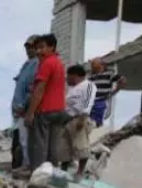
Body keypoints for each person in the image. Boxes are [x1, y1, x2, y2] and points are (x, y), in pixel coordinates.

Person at [24, 33, 66, 174]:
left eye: (42, 47)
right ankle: (53, 177)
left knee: (39, 146)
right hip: (59, 110)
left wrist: (30, 113)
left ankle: (38, 177)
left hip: (45, 110)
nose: (38, 51)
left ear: (52, 47)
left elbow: (39, 90)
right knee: (53, 146)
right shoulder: (58, 62)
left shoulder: (46, 63)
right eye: (36, 48)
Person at [59, 65, 96, 179]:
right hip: (67, 121)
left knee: (81, 146)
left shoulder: (88, 85)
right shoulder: (72, 89)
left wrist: (83, 118)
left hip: (78, 119)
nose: (67, 79)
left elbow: (88, 102)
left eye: (68, 76)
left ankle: (79, 172)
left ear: (74, 75)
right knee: (64, 148)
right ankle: (63, 172)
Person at [11, 35, 39, 170]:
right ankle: (26, 164)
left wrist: (24, 106)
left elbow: (32, 88)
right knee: (22, 140)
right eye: (27, 47)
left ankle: (28, 165)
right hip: (19, 110)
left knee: (27, 140)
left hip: (26, 109)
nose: (28, 50)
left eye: (31, 47)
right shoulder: (26, 65)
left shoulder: (37, 63)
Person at [88, 58, 126, 127]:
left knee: (97, 123)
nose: (91, 65)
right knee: (90, 122)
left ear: (101, 64)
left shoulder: (109, 73)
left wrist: (115, 91)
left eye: (93, 63)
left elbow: (122, 80)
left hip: (102, 101)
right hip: (91, 102)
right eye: (91, 64)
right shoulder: (91, 76)